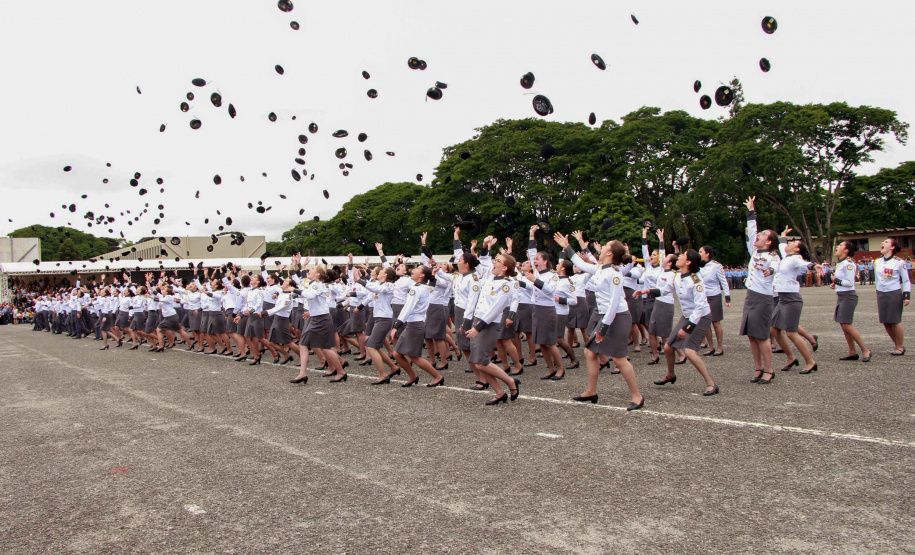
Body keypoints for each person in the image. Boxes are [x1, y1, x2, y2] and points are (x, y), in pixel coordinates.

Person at [559, 230, 644, 410]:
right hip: (605, 316)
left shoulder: (615, 273)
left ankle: (637, 396)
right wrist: (567, 247)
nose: (602, 247)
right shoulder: (600, 268)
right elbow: (580, 263)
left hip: (617, 317)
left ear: (610, 253)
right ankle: (591, 391)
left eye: (606, 246)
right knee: (590, 352)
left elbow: (614, 303)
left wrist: (604, 327)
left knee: (619, 359)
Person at [635, 248, 719, 395]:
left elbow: (699, 308)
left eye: (682, 255)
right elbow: (665, 290)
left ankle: (711, 383)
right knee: (668, 348)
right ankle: (671, 375)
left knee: (690, 352)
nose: (678, 256)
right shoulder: (678, 276)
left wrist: (686, 328)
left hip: (700, 317)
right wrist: (647, 291)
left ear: (688, 262)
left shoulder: (696, 281)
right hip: (687, 316)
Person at [463, 251, 522, 405]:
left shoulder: (507, 284)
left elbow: (495, 309)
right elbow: (482, 263)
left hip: (488, 324)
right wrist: (484, 247)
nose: (494, 263)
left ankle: (510, 381)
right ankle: (500, 393)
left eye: (498, 261)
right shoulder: (491, 278)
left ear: (505, 267)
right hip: (479, 320)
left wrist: (478, 327)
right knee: (479, 362)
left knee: (481, 362)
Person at [771, 227, 825, 374]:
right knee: (774, 329)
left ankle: (810, 362)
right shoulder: (786, 256)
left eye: (793, 242)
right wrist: (783, 235)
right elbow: (782, 243)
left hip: (791, 299)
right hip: (782, 298)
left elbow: (804, 263)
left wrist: (814, 265)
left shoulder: (795, 258)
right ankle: (791, 357)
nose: (789, 242)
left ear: (796, 249)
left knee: (791, 332)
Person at [740, 197, 781, 384]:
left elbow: (776, 265)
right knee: (751, 335)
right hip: (751, 295)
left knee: (762, 335)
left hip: (763, 297)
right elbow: (752, 230)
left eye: (763, 234)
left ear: (769, 241)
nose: (758, 235)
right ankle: (758, 367)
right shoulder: (755, 251)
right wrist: (751, 212)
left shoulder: (772, 255)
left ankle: (769, 369)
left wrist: (770, 270)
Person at [389, 265, 446, 387]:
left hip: (415, 324)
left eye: (417, 269)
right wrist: (433, 275)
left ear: (421, 275)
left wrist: (396, 326)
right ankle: (413, 376)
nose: (413, 270)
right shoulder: (425, 287)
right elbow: (432, 285)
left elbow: (407, 308)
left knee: (414, 356)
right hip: (414, 323)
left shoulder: (416, 289)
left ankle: (438, 377)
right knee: (397, 354)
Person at [521, 225, 564, 380]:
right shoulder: (537, 273)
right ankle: (550, 368)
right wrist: (531, 234)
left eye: (537, 259)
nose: (534, 261)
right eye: (534, 259)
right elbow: (532, 251)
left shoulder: (552, 275)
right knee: (541, 342)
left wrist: (535, 281)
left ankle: (560, 368)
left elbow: (550, 291)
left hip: (547, 309)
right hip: (536, 308)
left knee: (550, 342)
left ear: (545, 261)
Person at [831, 241, 872, 362]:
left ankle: (865, 350)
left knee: (846, 325)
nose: (837, 247)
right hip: (842, 295)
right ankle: (852, 351)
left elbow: (849, 283)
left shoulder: (848, 264)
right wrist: (836, 283)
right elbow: (843, 281)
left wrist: (836, 280)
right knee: (843, 325)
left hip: (848, 296)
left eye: (840, 245)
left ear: (846, 250)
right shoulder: (841, 263)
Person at [874, 238, 911, 355]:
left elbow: (906, 280)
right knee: (885, 321)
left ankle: (899, 346)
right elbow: (878, 278)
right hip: (881, 293)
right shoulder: (878, 261)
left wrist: (906, 295)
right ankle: (897, 344)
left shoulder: (899, 262)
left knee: (894, 320)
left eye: (886, 242)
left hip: (893, 292)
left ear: (892, 247)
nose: (882, 243)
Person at [698, 244, 730, 356]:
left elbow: (723, 281)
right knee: (706, 322)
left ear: (707, 254)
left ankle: (719, 347)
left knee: (716, 322)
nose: (699, 254)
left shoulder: (716, 266)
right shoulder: (699, 266)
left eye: (701, 252)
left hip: (714, 295)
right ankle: (711, 347)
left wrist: (727, 296)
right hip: (703, 296)